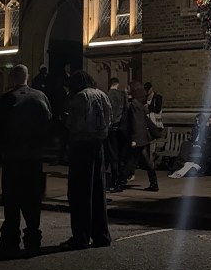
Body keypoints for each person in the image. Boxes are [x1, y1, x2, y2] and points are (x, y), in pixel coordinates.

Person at [0, 64, 52, 256]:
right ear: (28, 77)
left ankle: (10, 240)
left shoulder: (7, 99)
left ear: (13, 77)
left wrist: (4, 148)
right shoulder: (40, 97)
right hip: (33, 158)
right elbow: (48, 123)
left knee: (12, 201)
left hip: (13, 157)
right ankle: (33, 239)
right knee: (32, 199)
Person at [63, 70, 112, 249]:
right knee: (98, 191)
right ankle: (101, 234)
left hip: (81, 145)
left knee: (79, 192)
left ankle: (81, 236)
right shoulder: (102, 95)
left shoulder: (80, 97)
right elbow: (109, 119)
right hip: (98, 144)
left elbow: (74, 124)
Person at [169, 113, 211, 178]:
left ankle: (193, 166)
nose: (209, 119)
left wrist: (207, 129)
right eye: (196, 121)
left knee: (206, 147)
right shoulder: (197, 128)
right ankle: (182, 164)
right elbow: (193, 138)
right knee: (185, 144)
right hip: (198, 146)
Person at [123, 81, 159, 192]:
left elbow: (136, 122)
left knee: (132, 162)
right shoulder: (138, 103)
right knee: (144, 161)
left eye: (128, 88)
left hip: (139, 138)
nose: (126, 89)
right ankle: (154, 184)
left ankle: (119, 182)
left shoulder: (134, 104)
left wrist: (134, 139)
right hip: (143, 137)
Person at [107, 77, 128, 192]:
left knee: (113, 155)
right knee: (121, 155)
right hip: (122, 127)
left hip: (112, 127)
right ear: (117, 84)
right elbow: (126, 109)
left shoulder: (108, 95)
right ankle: (122, 179)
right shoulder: (123, 95)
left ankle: (114, 180)